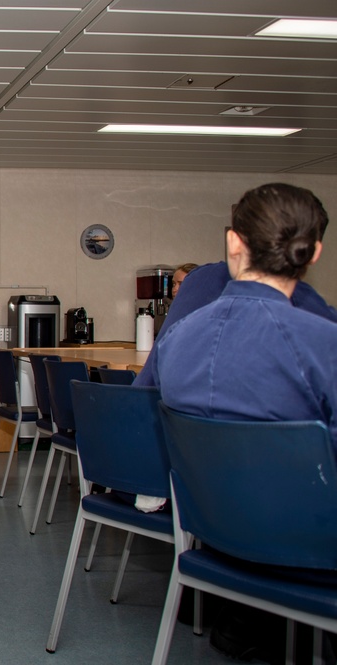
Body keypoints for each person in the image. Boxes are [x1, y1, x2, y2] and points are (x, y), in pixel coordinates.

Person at [151, 183, 337, 662]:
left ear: (234, 242)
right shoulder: (320, 343)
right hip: (308, 543)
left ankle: (245, 619)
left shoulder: (175, 342)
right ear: (313, 252)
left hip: (214, 534)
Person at [135, 205, 336, 387]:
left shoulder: (177, 337)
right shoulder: (320, 333)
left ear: (233, 242)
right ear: (313, 252)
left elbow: (149, 384)